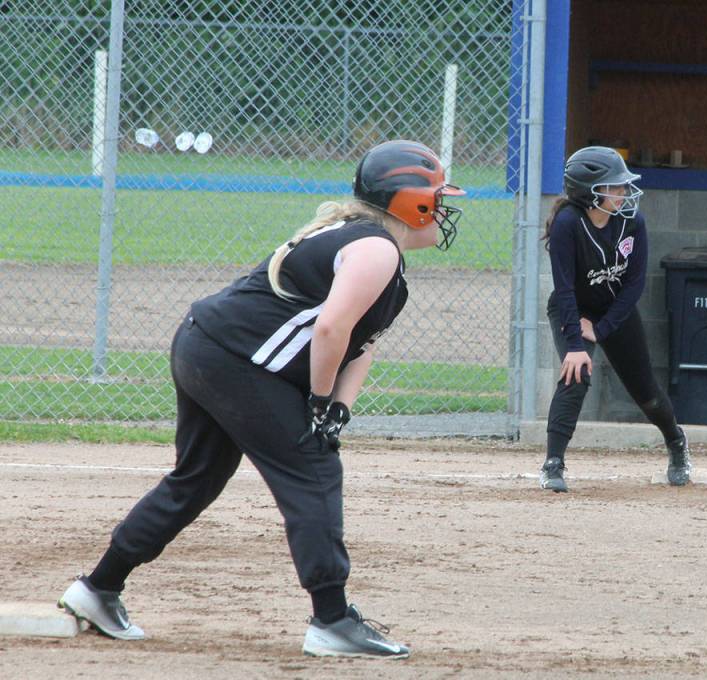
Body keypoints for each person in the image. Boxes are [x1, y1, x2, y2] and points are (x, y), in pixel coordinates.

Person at [57, 140, 465, 658]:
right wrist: (317, 403)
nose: (445, 208)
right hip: (234, 361)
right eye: (437, 197)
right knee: (313, 469)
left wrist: (338, 406)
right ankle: (332, 621)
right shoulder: (376, 249)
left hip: (207, 346)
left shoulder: (374, 249)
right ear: (411, 202)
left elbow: (358, 345)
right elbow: (331, 330)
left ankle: (97, 588)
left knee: (197, 478)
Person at [539, 146, 691, 492]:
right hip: (573, 309)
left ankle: (676, 443)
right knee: (574, 375)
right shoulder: (568, 224)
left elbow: (634, 285)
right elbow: (563, 289)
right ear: (588, 192)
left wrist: (603, 328)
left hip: (615, 312)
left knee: (645, 392)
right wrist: (576, 345)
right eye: (614, 187)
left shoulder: (632, 222)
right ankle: (553, 463)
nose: (623, 193)